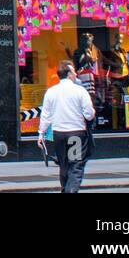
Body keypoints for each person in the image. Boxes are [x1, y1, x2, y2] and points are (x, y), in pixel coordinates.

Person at [37, 60, 94, 194]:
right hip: (75, 132)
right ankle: (70, 190)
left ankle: (65, 189)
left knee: (63, 165)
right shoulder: (80, 91)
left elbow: (46, 116)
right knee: (75, 166)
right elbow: (89, 114)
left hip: (59, 134)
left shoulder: (51, 92)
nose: (75, 74)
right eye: (74, 72)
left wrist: (41, 134)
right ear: (69, 74)